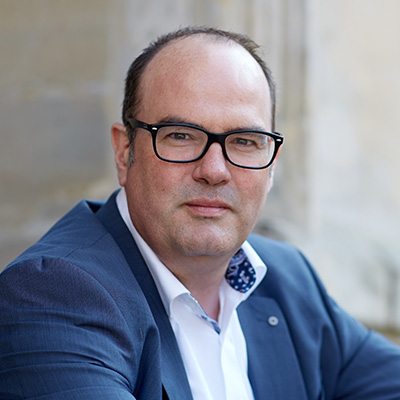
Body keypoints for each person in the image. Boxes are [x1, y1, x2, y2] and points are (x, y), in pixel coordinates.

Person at [0, 26, 399, 400]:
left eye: (245, 141)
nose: (214, 170)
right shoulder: (51, 294)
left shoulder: (286, 280)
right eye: (181, 136)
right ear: (125, 152)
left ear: (272, 165)